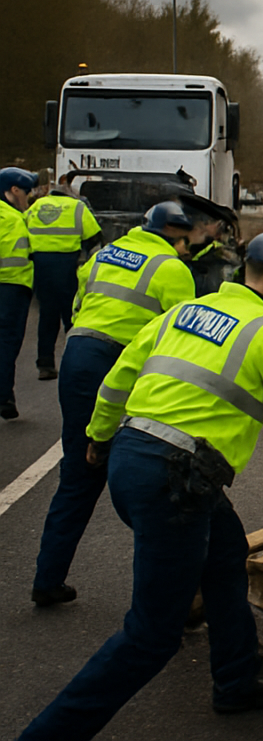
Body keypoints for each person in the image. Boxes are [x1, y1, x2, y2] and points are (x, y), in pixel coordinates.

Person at [16, 228, 263, 740]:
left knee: (226, 554)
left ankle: (236, 680)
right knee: (151, 635)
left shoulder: (185, 312)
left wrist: (99, 436)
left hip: (134, 458)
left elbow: (121, 376)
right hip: (177, 480)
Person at [30, 201, 199, 606]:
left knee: (78, 472)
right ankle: (175, 595)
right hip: (121, 365)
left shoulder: (106, 253)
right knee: (151, 477)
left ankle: (47, 579)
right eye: (185, 242)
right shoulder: (171, 268)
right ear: (175, 237)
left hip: (77, 357)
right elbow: (180, 333)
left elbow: (77, 305)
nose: (187, 250)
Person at [26, 173, 103, 380]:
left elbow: (23, 232)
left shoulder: (37, 206)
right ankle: (75, 363)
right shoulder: (78, 207)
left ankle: (45, 364)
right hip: (68, 268)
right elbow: (94, 237)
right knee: (72, 317)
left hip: (41, 268)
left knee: (47, 317)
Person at [0, 166, 40, 420]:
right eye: (26, 192)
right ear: (14, 191)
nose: (28, 198)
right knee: (6, 343)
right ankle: (4, 397)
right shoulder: (12, 219)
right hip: (11, 289)